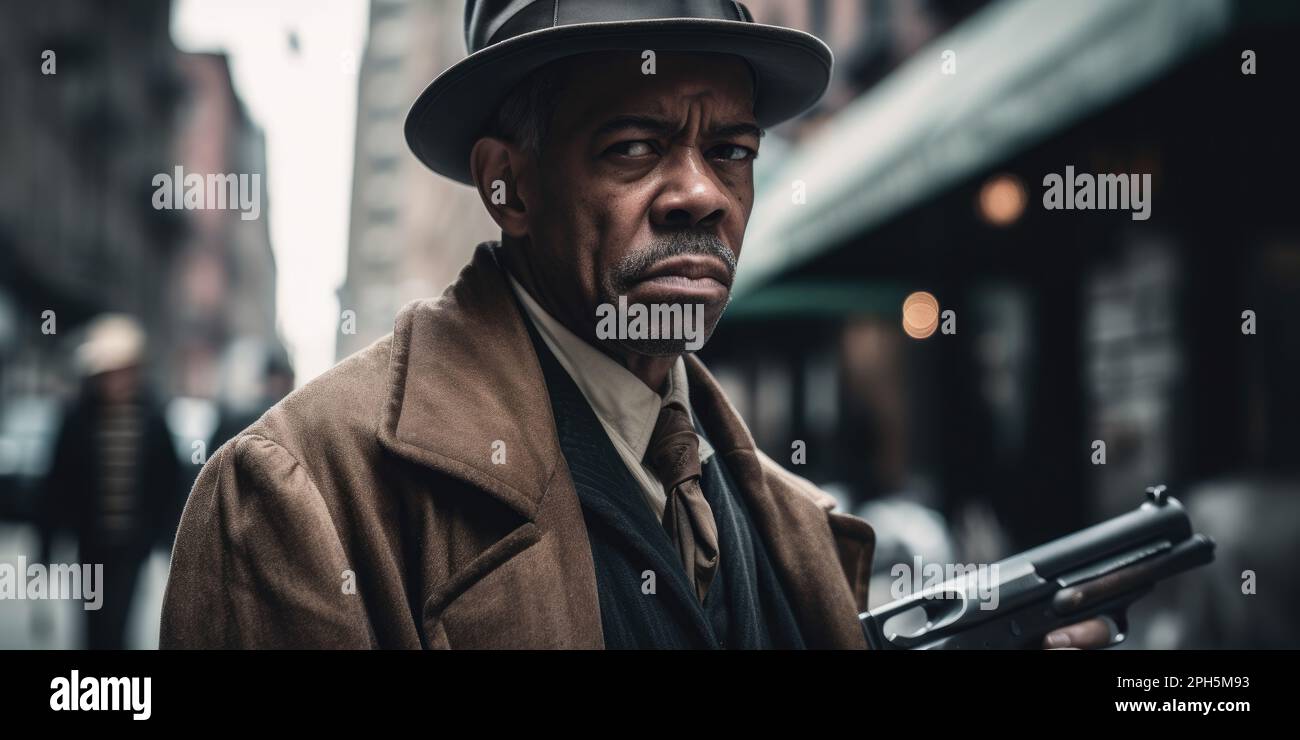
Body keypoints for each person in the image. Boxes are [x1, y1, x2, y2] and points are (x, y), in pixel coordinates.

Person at [161, 0, 1111, 649]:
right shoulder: (298, 498)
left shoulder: (796, 525)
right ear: (509, 183)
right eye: (634, 146)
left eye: (731, 150)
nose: (702, 193)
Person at [41, 314, 181, 649]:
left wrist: (167, 541)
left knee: (120, 621)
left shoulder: (153, 421)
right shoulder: (76, 420)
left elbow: (169, 483)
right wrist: (45, 547)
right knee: (92, 624)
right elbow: (57, 484)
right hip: (90, 541)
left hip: (133, 545)